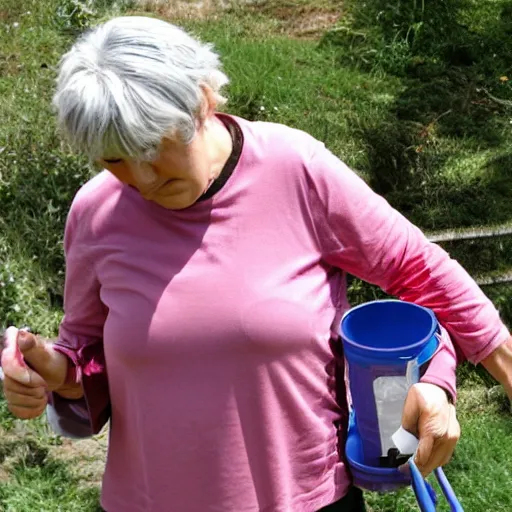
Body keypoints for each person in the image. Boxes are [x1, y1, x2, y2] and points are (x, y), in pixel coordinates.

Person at [1, 15, 511, 512]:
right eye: (114, 158)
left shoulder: (295, 170)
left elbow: (416, 267)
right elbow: (87, 354)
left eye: (152, 146)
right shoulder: (97, 213)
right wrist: (54, 373)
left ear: (202, 99)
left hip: (305, 500)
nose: (142, 178)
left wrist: (504, 365)